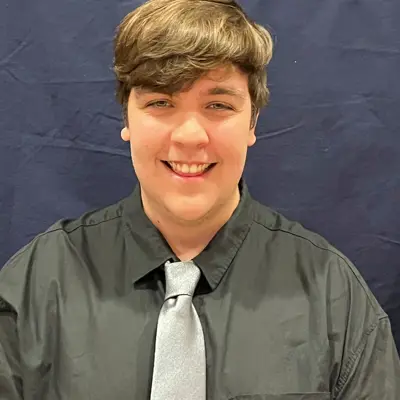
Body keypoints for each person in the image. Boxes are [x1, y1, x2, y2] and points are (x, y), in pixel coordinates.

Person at [0, 0, 399, 398]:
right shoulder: (37, 284)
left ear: (252, 122)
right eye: (161, 102)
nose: (190, 136)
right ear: (126, 118)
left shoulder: (332, 294)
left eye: (218, 105)